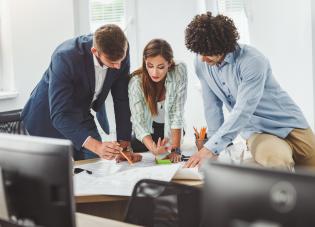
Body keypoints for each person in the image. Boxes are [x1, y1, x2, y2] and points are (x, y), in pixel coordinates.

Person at [184, 12, 315, 170]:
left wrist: (211, 148)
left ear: (223, 46)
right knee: (277, 161)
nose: (202, 58)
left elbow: (243, 109)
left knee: (310, 181)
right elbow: (211, 106)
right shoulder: (202, 64)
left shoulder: (252, 60)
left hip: (293, 124)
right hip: (259, 131)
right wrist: (214, 149)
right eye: (199, 52)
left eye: (207, 53)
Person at [21, 24, 141, 162]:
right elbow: (60, 115)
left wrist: (124, 146)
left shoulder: (120, 50)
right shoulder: (65, 57)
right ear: (95, 51)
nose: (118, 66)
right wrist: (97, 146)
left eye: (121, 60)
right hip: (47, 117)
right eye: (112, 62)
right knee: (59, 172)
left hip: (81, 112)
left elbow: (122, 100)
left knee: (94, 163)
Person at [128, 39, 188, 163]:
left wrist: (176, 149)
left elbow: (177, 112)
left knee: (171, 154)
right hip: (149, 131)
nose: (154, 72)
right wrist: (153, 148)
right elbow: (138, 122)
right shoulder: (136, 82)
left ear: (169, 63)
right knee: (133, 145)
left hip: (172, 129)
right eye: (150, 66)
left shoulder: (179, 70)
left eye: (160, 67)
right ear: (145, 62)